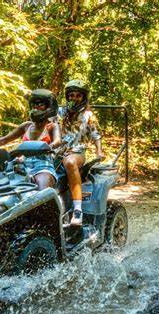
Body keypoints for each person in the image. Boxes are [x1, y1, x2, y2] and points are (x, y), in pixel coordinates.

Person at [0, 88, 61, 190]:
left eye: (41, 104)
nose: (37, 107)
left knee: (42, 192)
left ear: (49, 107)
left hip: (43, 166)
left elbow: (58, 141)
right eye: (34, 104)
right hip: (21, 165)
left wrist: (49, 146)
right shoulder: (26, 126)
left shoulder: (52, 126)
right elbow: (3, 140)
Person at [57, 79, 104, 225]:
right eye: (71, 95)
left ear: (83, 97)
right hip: (56, 152)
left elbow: (95, 134)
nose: (74, 98)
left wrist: (99, 150)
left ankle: (78, 210)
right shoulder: (59, 112)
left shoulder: (88, 115)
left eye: (78, 96)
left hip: (77, 153)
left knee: (69, 162)